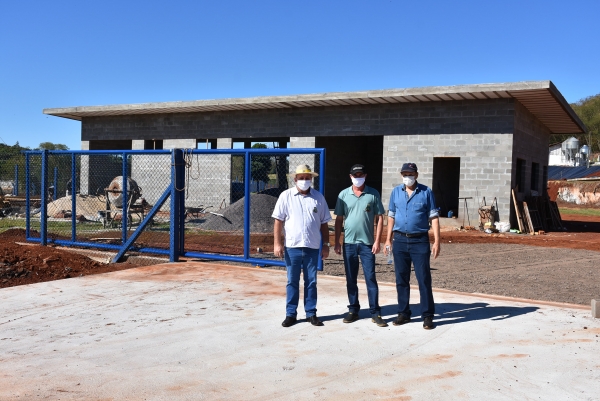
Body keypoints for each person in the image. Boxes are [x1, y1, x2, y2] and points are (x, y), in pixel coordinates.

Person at [272, 164, 332, 327]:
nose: (304, 181)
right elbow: (278, 221)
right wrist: (277, 243)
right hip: (292, 247)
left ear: (311, 179)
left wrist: (326, 245)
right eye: (301, 178)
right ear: (295, 179)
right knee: (292, 281)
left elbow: (324, 224)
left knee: (311, 281)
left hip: (312, 247)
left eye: (307, 178)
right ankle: (291, 314)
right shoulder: (286, 196)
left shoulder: (318, 198)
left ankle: (311, 313)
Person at [383, 162, 440, 330]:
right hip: (400, 240)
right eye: (405, 174)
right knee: (401, 279)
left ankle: (427, 315)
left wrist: (437, 241)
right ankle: (403, 313)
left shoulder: (426, 192)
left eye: (410, 174)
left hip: (420, 241)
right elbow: (391, 216)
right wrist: (388, 239)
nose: (407, 177)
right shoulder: (395, 192)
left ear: (416, 175)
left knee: (423, 279)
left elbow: (434, 217)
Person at [334, 164, 387, 327]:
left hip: (367, 244)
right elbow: (339, 220)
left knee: (370, 278)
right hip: (349, 243)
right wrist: (337, 242)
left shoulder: (373, 194)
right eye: (355, 175)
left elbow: (380, 218)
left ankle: (375, 312)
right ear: (350, 176)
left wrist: (377, 241)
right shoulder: (343, 195)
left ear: (365, 176)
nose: (358, 178)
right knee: (351, 278)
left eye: (361, 175)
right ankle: (353, 310)